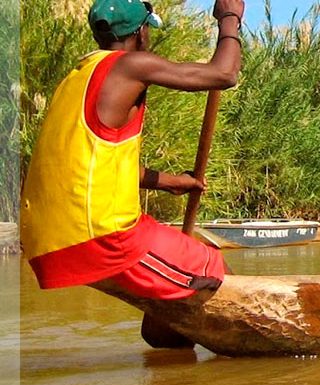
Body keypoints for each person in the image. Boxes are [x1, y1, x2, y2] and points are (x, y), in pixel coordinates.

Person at [20, 1, 243, 306]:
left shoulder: (75, 78)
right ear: (140, 33)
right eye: (148, 30)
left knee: (181, 271)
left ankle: (172, 348)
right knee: (215, 268)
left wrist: (169, 182)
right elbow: (224, 74)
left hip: (47, 241)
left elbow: (92, 165)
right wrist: (230, 18)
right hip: (104, 239)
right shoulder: (129, 65)